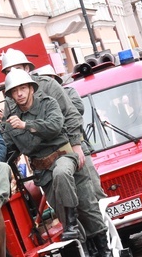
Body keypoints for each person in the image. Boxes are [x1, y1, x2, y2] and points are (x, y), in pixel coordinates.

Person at [1, 69, 114, 257]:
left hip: (65, 157)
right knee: (62, 210)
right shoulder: (11, 122)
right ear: (10, 95)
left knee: (86, 206)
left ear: (31, 88)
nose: (19, 94)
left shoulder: (47, 103)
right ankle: (86, 250)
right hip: (43, 171)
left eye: (23, 88)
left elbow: (55, 125)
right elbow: (9, 147)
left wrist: (26, 125)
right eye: (14, 91)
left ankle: (104, 249)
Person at [33, 63, 106, 201]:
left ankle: (107, 219)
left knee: (95, 188)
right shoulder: (37, 104)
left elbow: (76, 110)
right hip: (54, 153)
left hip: (77, 145)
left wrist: (51, 116)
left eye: (49, 78)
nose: (47, 83)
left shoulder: (69, 92)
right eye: (44, 79)